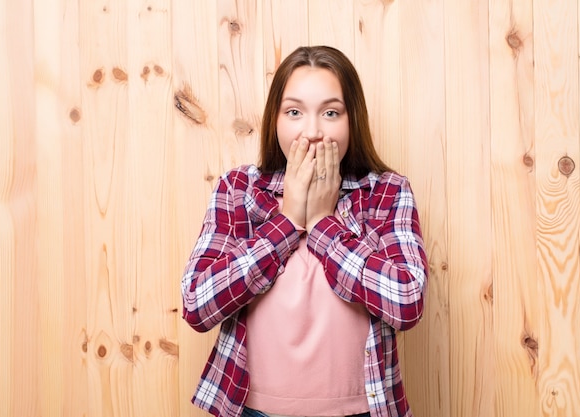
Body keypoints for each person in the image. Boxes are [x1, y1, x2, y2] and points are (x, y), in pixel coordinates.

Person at [181, 45, 428, 417]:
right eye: (294, 112)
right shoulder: (238, 189)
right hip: (253, 410)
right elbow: (197, 304)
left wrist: (322, 225)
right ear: (275, 120)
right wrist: (288, 220)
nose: (312, 132)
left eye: (331, 113)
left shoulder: (388, 192)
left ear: (352, 119)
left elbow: (407, 301)